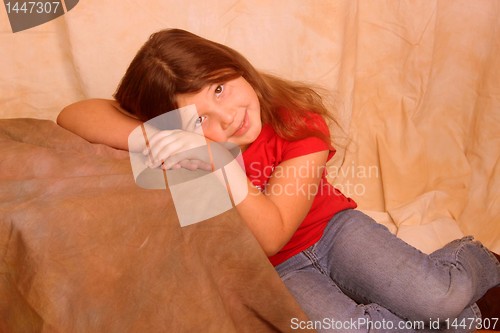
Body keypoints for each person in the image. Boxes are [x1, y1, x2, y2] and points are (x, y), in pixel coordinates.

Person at [57, 29, 500, 332]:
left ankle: (473, 258)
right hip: (275, 271)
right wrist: (163, 135)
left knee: (438, 300)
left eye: (219, 89)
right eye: (199, 118)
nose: (227, 117)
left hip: (333, 232)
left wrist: (222, 164)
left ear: (236, 67)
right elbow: (73, 115)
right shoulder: (179, 137)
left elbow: (272, 232)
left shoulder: (297, 122)